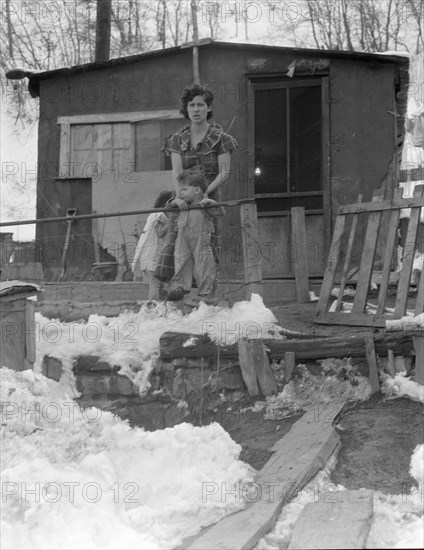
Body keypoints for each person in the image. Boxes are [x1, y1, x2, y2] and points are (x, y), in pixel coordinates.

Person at [162, 83, 238, 201]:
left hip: (209, 197)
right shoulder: (177, 139)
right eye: (192, 105)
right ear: (186, 109)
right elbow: (177, 172)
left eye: (200, 105)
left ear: (208, 108)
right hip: (183, 197)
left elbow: (224, 173)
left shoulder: (222, 139)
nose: (196, 109)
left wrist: (204, 194)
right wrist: (180, 196)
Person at [166, 169, 224, 303]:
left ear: (197, 190)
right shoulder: (180, 202)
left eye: (185, 189)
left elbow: (220, 213)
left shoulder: (205, 204)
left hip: (201, 240)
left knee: (204, 264)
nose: (181, 193)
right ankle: (179, 288)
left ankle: (205, 293)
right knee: (180, 261)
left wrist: (213, 204)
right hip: (182, 239)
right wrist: (175, 201)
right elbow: (168, 207)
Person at [131, 190, 173, 300]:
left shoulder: (154, 215)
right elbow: (160, 232)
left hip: (147, 256)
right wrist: (170, 223)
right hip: (151, 256)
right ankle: (153, 308)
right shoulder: (159, 215)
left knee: (156, 284)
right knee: (155, 284)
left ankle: (155, 307)